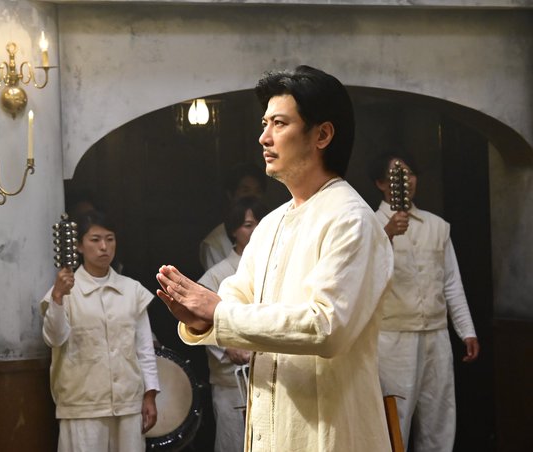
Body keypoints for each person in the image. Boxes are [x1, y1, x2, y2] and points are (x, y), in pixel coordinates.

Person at [155, 65, 395, 451]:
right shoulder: (270, 224)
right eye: (264, 124)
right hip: (271, 423)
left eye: (279, 124)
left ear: (322, 135)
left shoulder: (351, 219)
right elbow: (234, 300)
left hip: (330, 430)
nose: (264, 137)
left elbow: (326, 325)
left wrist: (218, 313)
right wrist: (201, 318)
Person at [369, 152, 480, 452]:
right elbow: (361, 274)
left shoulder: (437, 226)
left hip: (436, 334)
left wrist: (466, 330)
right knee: (396, 416)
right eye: (397, 174)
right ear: (382, 183)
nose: (405, 180)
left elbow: (451, 282)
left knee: (439, 416)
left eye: (410, 173)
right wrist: (387, 234)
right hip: (393, 337)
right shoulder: (369, 224)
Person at [40, 210, 159, 452]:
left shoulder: (132, 290)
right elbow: (54, 339)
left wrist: (150, 394)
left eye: (110, 239)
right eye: (95, 240)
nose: (104, 247)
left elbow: (144, 348)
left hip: (128, 403)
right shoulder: (65, 292)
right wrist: (58, 297)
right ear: (79, 246)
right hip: (82, 404)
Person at [197, 196, 269, 452]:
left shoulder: (272, 268)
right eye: (248, 225)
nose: (255, 230)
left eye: (260, 223)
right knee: (233, 444)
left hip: (271, 376)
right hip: (230, 381)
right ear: (233, 231)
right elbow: (200, 321)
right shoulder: (216, 274)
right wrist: (227, 347)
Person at [199, 162, 267, 271]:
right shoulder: (214, 243)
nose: (252, 197)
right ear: (231, 195)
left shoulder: (272, 227)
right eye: (245, 191)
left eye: (258, 191)